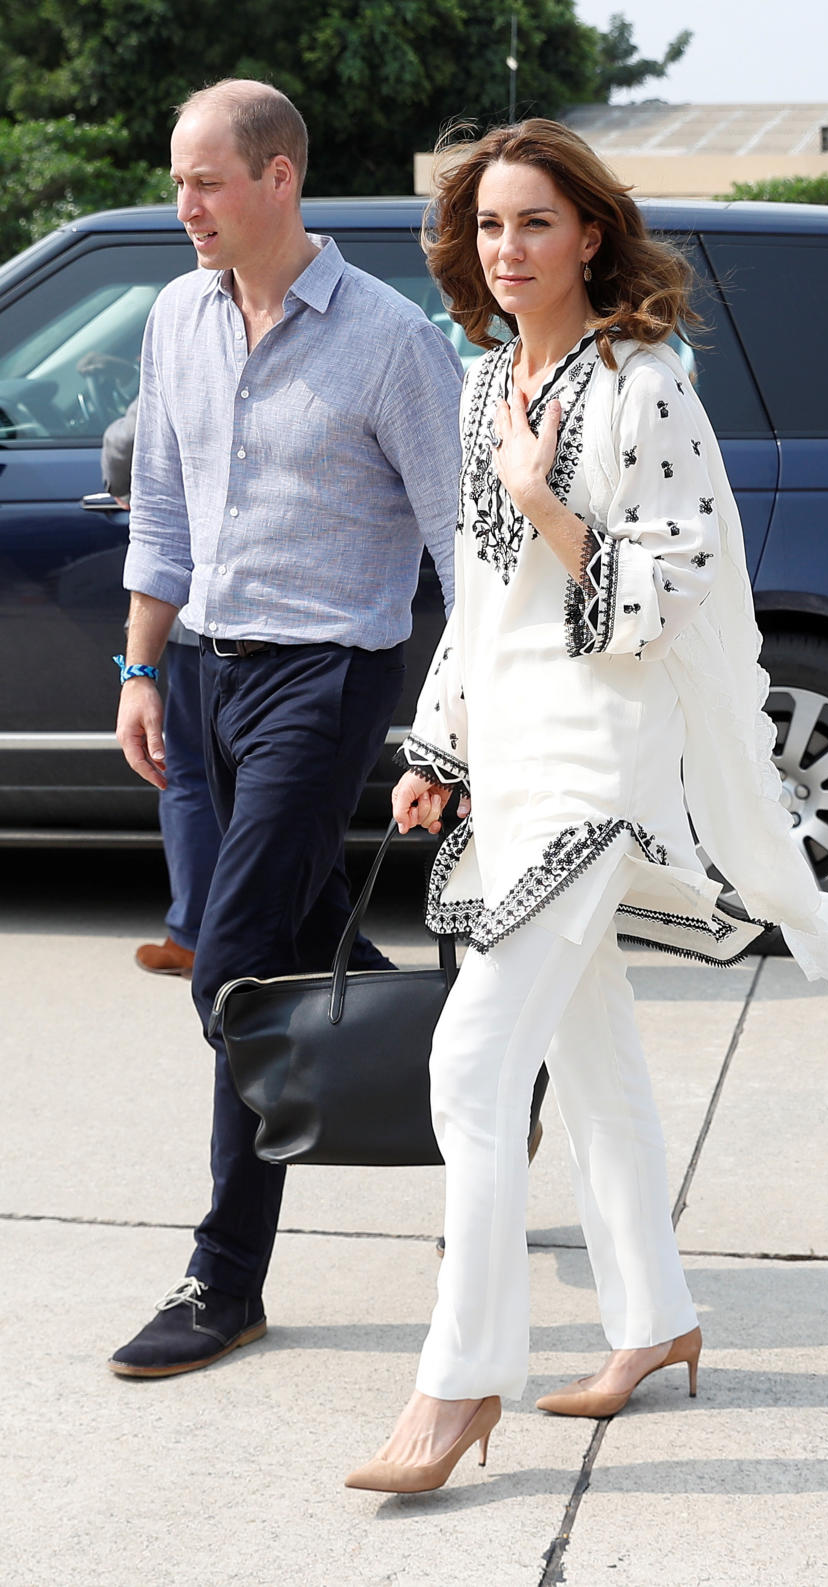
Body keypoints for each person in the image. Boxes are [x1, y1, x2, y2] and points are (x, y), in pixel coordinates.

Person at [344, 119, 828, 1495]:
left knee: (472, 1064)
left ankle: (462, 1377)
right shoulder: (484, 386)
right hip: (515, 749)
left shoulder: (645, 385)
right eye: (486, 228)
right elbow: (480, 594)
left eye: (535, 222)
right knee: (591, 1062)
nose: (508, 250)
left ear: (592, 232)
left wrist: (550, 505)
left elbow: (673, 590)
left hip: (601, 757)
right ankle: (654, 1320)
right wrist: (441, 742)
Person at [110, 79, 462, 1378]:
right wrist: (138, 669)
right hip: (204, 670)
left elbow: (457, 543)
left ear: (279, 180)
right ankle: (465, 1073)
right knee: (299, 930)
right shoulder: (175, 318)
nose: (184, 205)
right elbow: (163, 509)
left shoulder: (386, 338)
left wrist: (450, 727)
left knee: (234, 965)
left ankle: (226, 1275)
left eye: (206, 180)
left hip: (330, 673)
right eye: (178, 178)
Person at [103, 397, 221, 977]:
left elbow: (126, 443)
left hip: (194, 608)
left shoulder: (186, 331)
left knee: (191, 776)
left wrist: (122, 485)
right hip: (274, 614)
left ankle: (194, 934)